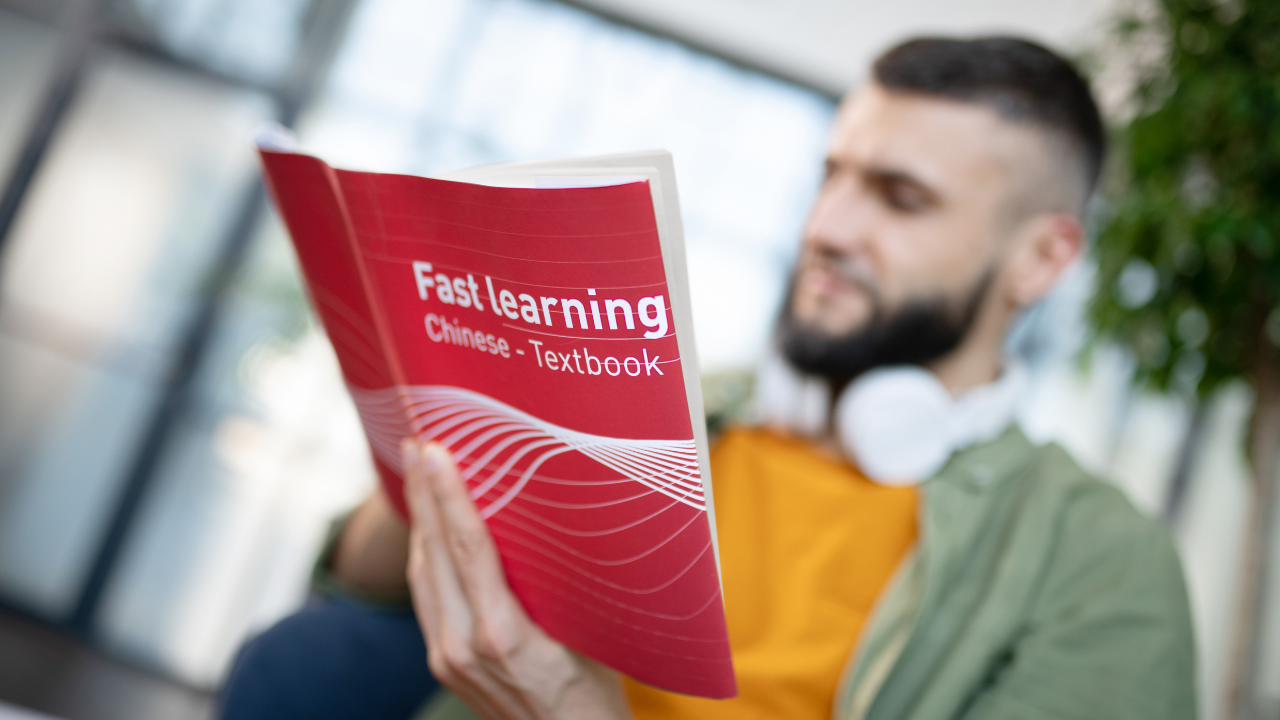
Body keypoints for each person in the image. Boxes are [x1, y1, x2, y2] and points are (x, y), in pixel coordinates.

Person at [219, 36, 1196, 720]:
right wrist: (433, 436)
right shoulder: (692, 408)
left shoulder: (1098, 561)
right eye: (833, 173)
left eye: (899, 199)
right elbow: (364, 584)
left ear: (1039, 261)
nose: (827, 226)